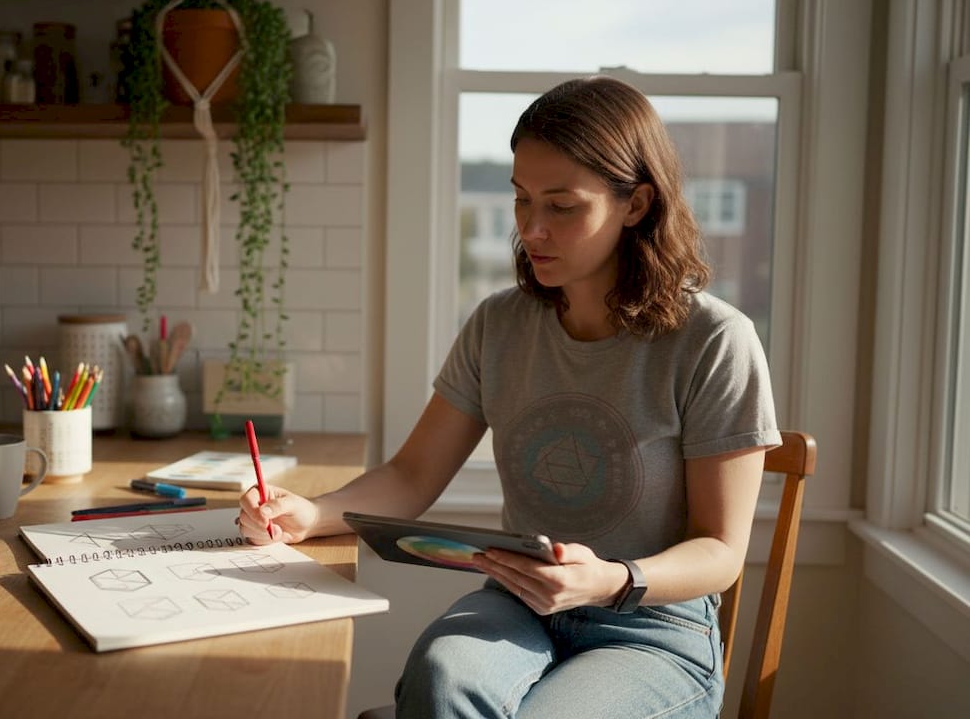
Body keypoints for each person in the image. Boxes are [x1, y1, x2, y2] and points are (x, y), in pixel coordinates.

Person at [237, 76, 781, 718]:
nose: (532, 229)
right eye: (523, 200)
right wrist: (312, 512)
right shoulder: (500, 325)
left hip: (651, 628)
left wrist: (609, 580)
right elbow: (412, 476)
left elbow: (720, 550)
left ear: (635, 204)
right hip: (518, 602)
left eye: (562, 206)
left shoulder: (715, 341)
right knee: (443, 677)